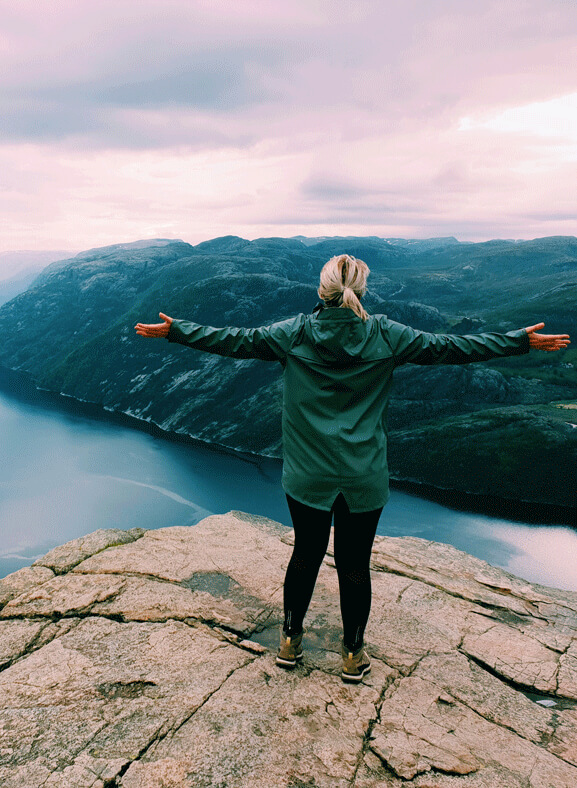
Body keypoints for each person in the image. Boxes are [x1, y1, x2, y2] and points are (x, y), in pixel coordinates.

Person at [135, 254, 570, 683]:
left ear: (321, 292)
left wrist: (177, 331)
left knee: (305, 553)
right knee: (355, 563)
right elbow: (453, 347)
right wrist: (518, 340)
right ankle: (353, 655)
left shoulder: (293, 334)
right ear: (360, 291)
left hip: (308, 473)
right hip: (364, 473)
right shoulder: (387, 335)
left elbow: (233, 339)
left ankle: (290, 642)